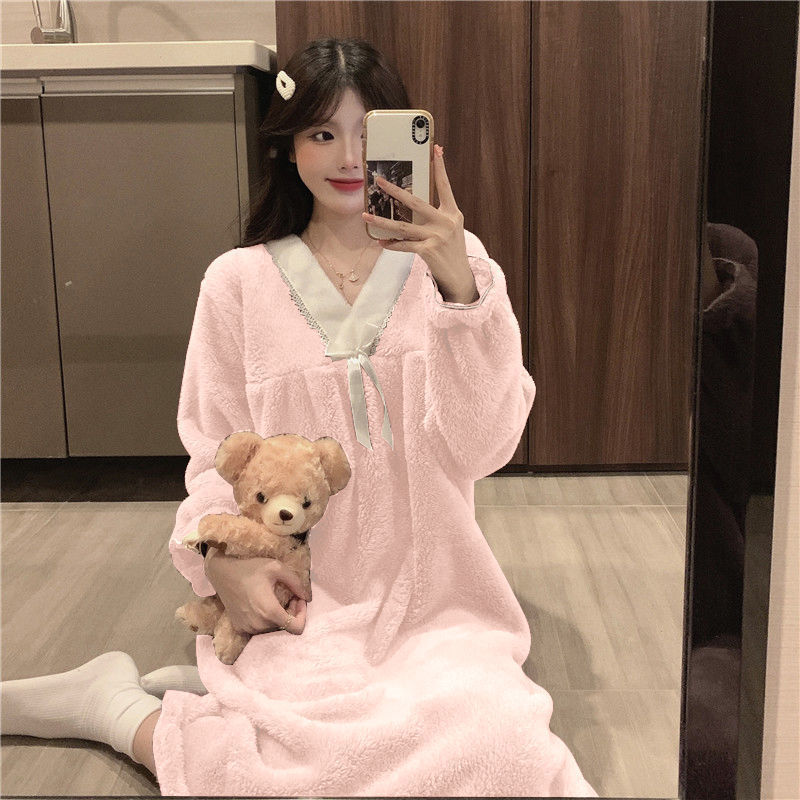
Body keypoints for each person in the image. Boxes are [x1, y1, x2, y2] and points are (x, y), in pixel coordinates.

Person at [1, 37, 597, 796]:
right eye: (321, 133)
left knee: (504, 752)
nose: (348, 158)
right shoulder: (237, 284)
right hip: (303, 596)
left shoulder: (454, 267)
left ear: (411, 142)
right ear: (287, 146)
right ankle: (113, 709)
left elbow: (486, 447)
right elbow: (214, 458)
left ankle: (195, 704)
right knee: (283, 776)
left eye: (369, 133)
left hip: (436, 604)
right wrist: (223, 562)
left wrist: (460, 293)